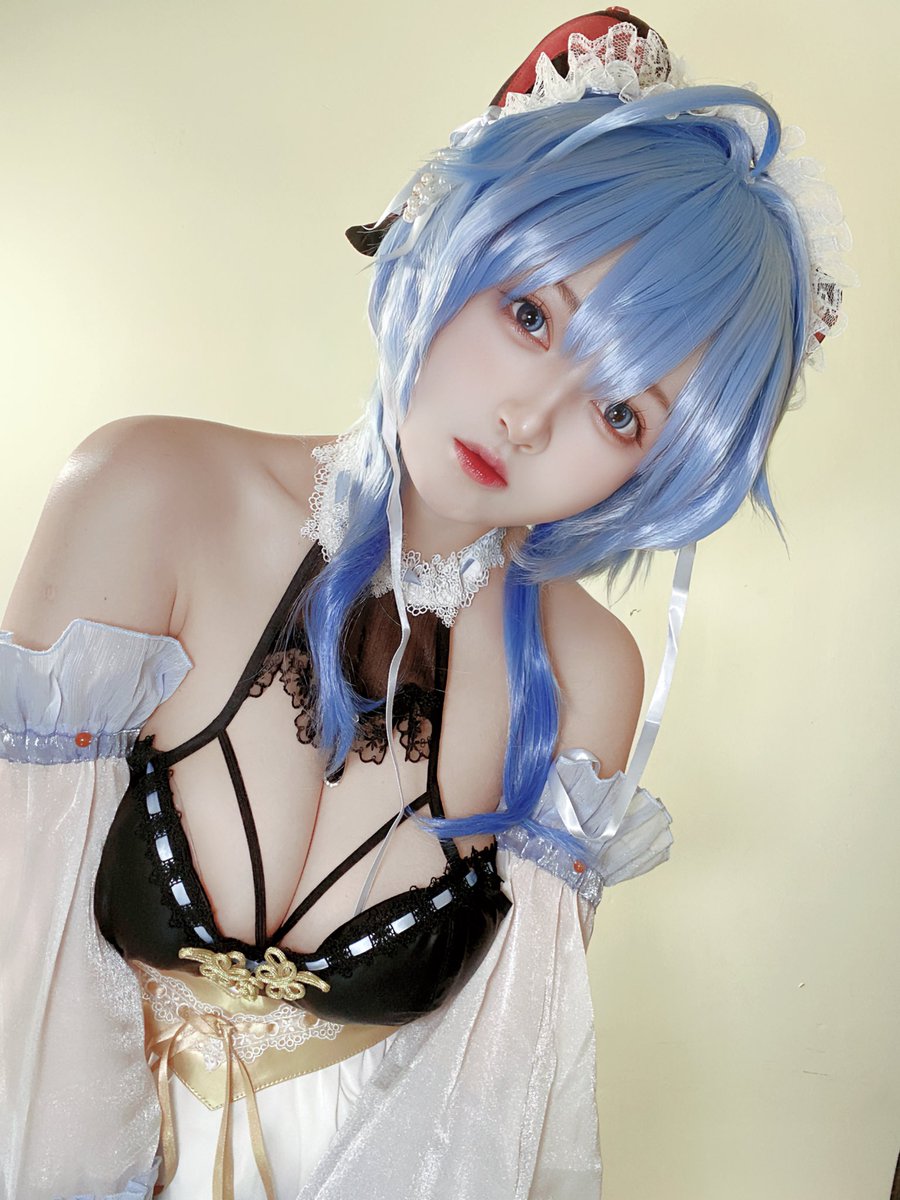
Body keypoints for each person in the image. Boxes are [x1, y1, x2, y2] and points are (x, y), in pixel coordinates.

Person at [0, 9, 851, 1200]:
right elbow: (17, 985)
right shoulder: (148, 495)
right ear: (458, 241)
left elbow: (487, 1119)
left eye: (621, 411)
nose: (528, 417)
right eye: (531, 313)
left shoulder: (588, 677)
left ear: (660, 469)